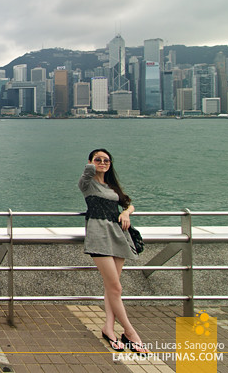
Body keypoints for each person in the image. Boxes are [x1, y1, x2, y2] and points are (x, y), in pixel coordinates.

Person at [78, 148, 149, 354]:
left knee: (112, 288)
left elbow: (129, 203)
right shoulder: (88, 184)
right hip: (98, 236)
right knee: (116, 288)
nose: (102, 163)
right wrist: (92, 165)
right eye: (98, 159)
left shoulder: (111, 186)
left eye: (106, 160)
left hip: (118, 236)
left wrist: (126, 212)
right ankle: (130, 332)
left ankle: (109, 329)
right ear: (90, 162)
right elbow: (85, 175)